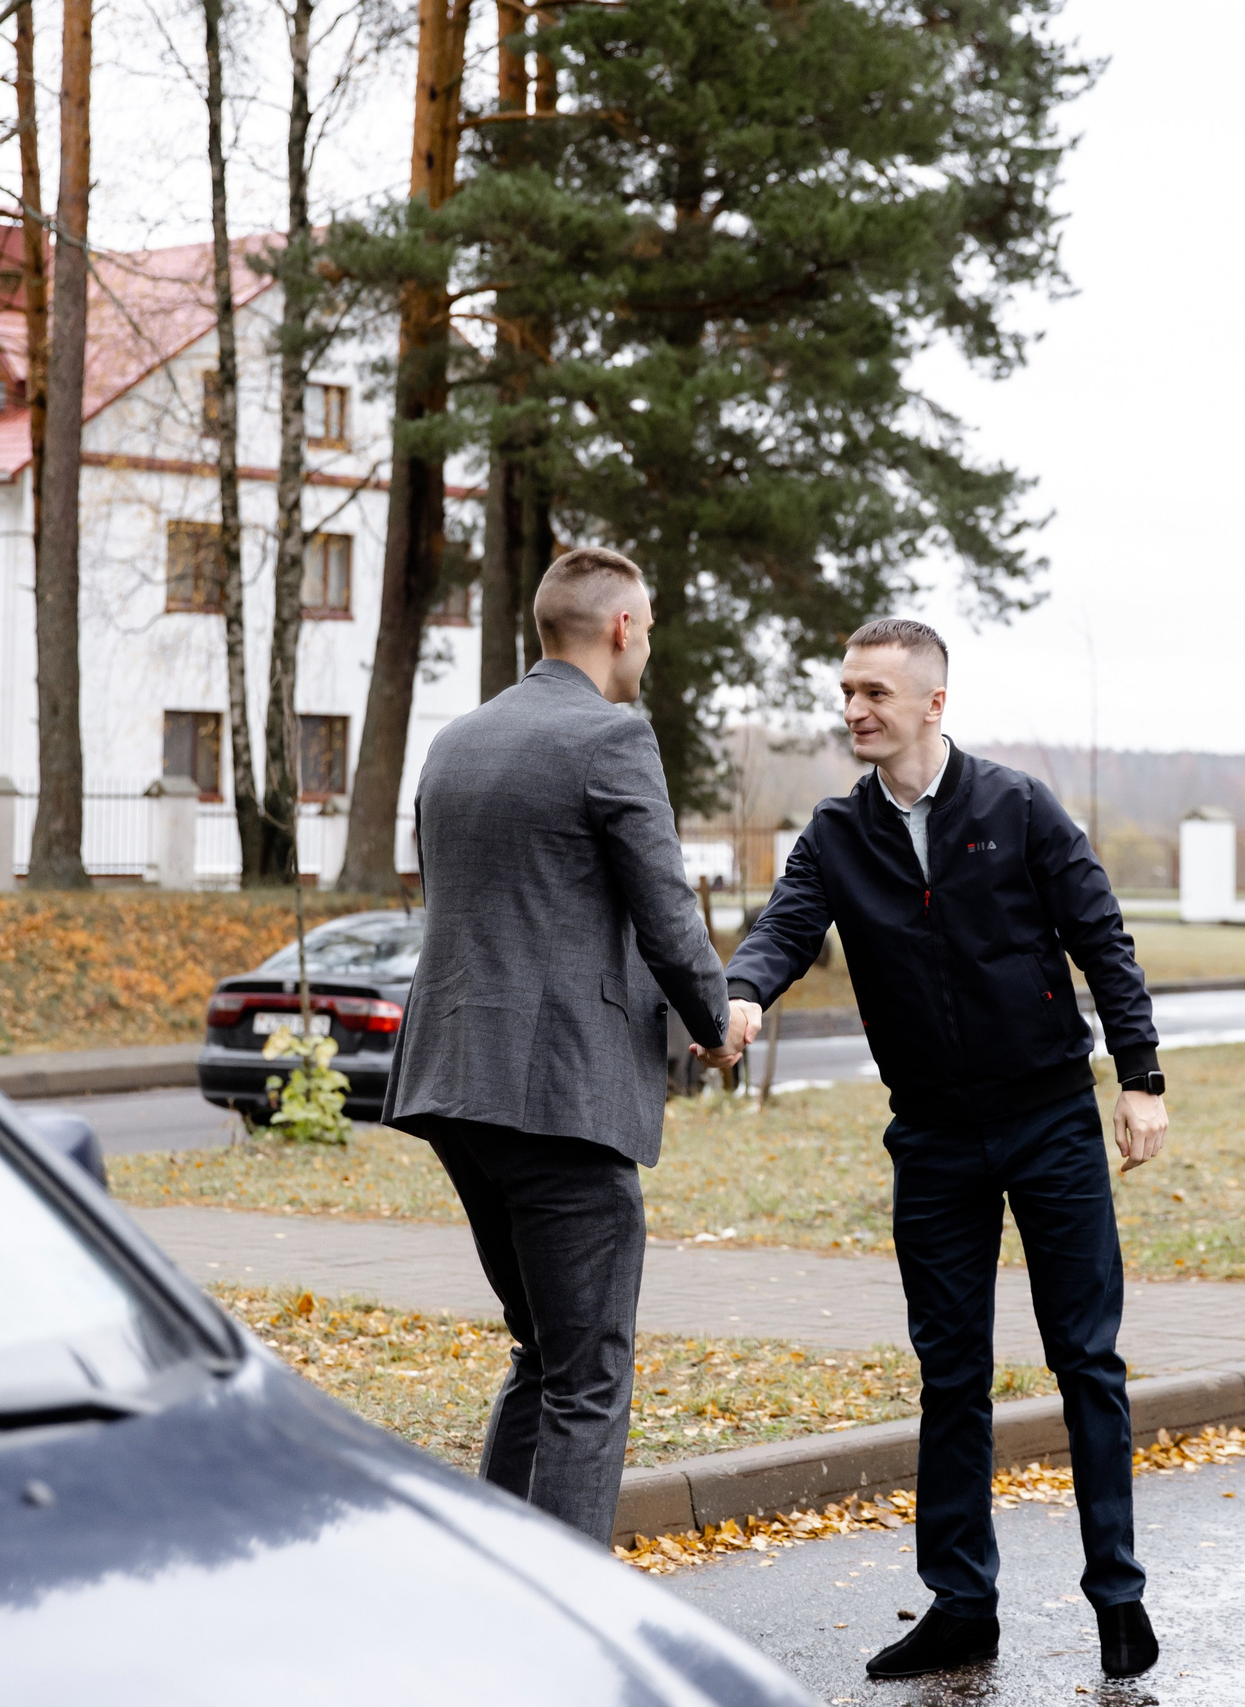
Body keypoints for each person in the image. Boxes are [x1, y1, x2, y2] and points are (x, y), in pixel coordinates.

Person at [722, 619, 1166, 1682]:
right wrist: (740, 994)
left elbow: (1101, 937)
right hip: (930, 1134)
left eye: (875, 690)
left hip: (1050, 1118)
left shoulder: (1014, 808)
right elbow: (786, 926)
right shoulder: (837, 833)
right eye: (846, 690)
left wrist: (1140, 1080)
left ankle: (1118, 1597)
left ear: (933, 703)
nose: (855, 709)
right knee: (949, 1372)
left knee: (1086, 1362)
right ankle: (961, 1602)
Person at [383, 546, 739, 1545]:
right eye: (650, 627)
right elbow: (665, 911)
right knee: (588, 1376)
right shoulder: (612, 738)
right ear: (622, 626)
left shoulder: (457, 741)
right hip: (557, 1097)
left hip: (452, 1088)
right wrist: (717, 1024)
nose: (649, 645)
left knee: (541, 1353)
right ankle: (566, 1632)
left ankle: (499, 1588)